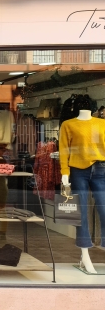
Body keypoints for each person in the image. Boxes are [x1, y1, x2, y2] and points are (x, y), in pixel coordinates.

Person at [60, 108, 105, 274]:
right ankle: (85, 254)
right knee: (82, 212)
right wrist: (65, 172)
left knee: (104, 208)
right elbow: (64, 149)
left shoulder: (102, 124)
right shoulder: (68, 124)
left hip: (101, 168)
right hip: (78, 170)